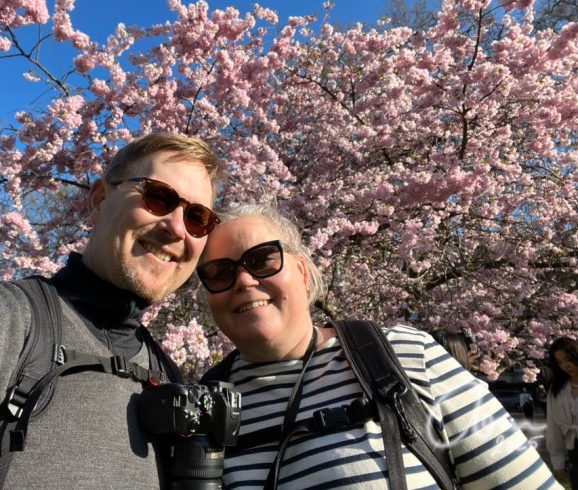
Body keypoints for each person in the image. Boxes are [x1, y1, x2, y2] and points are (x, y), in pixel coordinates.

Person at [0, 133, 223, 489]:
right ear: (98, 200)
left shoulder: (166, 375)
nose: (177, 227)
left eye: (198, 218)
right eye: (158, 197)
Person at [196, 201, 560, 489]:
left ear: (304, 273)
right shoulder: (205, 404)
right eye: (219, 272)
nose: (244, 280)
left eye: (262, 260)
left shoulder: (406, 356)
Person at [546, 335, 578, 488]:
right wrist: (557, 459)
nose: (565, 365)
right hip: (575, 452)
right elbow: (553, 426)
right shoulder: (557, 390)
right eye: (559, 362)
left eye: (568, 359)